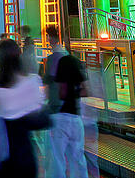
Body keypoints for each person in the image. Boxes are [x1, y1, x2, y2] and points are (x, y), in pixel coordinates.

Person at [0, 39, 51, 178]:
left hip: (2, 157)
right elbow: (42, 119)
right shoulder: (32, 82)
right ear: (19, 56)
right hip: (25, 154)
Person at [44, 26, 88, 178]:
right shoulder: (76, 62)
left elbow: (60, 91)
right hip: (76, 115)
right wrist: (74, 94)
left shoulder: (57, 60)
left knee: (57, 158)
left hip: (60, 115)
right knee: (78, 157)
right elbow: (85, 90)